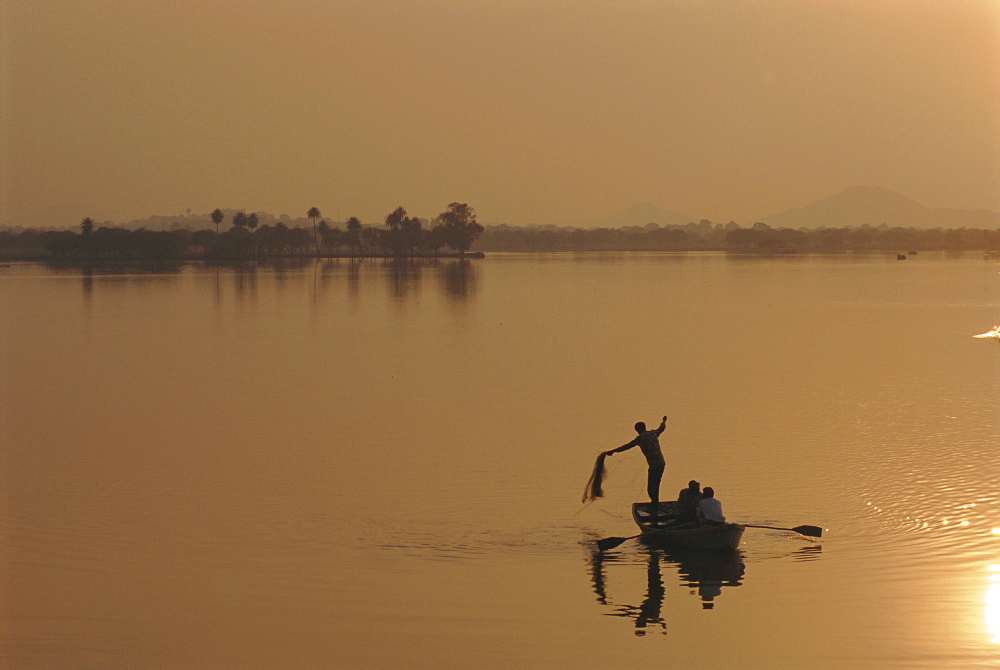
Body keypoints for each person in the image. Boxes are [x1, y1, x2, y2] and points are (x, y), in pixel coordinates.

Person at [603, 415, 668, 517]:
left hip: (654, 466)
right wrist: (664, 421)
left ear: (637, 430)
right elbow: (662, 428)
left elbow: (627, 446)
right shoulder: (653, 433)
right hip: (661, 464)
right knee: (655, 485)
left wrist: (613, 451)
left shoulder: (640, 438)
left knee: (651, 488)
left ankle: (655, 506)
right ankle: (655, 504)